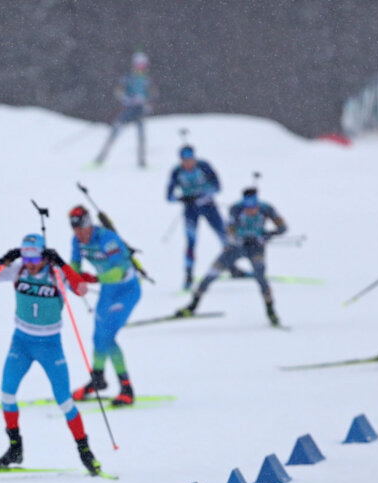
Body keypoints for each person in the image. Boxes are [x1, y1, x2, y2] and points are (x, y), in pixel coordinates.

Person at [0, 233, 103, 476]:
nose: (30, 263)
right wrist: (3, 261)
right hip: (21, 342)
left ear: (44, 254)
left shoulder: (56, 273)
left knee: (64, 400)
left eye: (35, 256)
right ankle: (15, 447)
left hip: (50, 345)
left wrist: (62, 263)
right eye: (25, 255)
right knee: (7, 393)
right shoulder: (18, 269)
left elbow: (82, 289)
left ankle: (86, 452)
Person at [176, 187, 287, 326]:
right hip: (234, 249)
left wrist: (267, 235)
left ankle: (271, 312)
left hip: (256, 250)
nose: (251, 210)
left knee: (261, 278)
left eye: (253, 207)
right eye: (248, 207)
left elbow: (283, 228)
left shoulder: (266, 208)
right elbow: (229, 230)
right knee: (210, 275)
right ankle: (192, 306)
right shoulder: (236, 209)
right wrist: (238, 239)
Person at [66, 205, 142, 405]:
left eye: (82, 229)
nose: (80, 235)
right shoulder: (76, 241)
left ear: (90, 225)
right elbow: (74, 269)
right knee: (98, 336)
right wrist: (71, 280)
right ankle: (98, 379)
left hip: (126, 291)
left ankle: (127, 388)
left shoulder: (107, 239)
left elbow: (119, 271)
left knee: (107, 336)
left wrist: (92, 278)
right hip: (108, 292)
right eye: (76, 231)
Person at [166, 145, 241, 289]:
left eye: (190, 159)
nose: (188, 163)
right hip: (191, 211)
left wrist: (203, 195)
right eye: (185, 160)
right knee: (191, 242)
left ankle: (232, 268)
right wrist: (184, 199)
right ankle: (188, 276)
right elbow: (169, 196)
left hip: (209, 207)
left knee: (225, 237)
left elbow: (217, 187)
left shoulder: (203, 166)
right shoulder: (177, 171)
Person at [94, 51, 156, 168]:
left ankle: (141, 161)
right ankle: (101, 158)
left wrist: (146, 102)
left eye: (143, 66)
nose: (140, 68)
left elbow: (153, 94)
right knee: (115, 131)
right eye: (139, 65)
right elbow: (119, 91)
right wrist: (127, 99)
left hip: (140, 110)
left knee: (141, 136)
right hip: (128, 110)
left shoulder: (147, 80)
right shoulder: (128, 78)